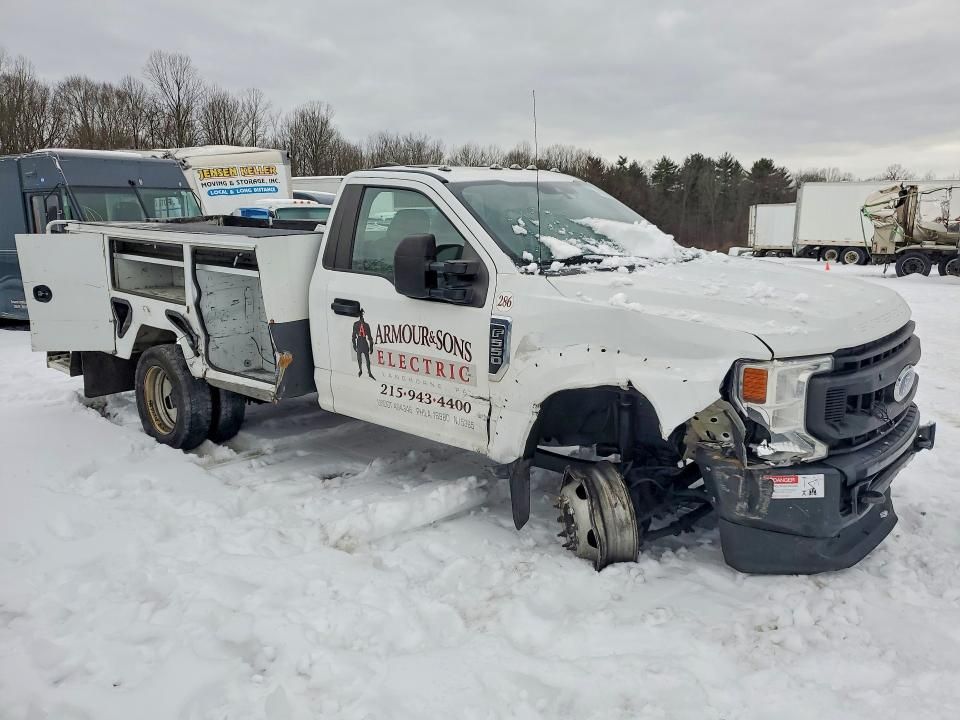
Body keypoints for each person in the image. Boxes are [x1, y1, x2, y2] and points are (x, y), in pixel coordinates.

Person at [352, 309, 375, 379]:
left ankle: (369, 372)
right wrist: (354, 344)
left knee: (367, 359)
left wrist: (371, 347)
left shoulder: (366, 325)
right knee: (359, 358)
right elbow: (353, 336)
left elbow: (370, 337)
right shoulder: (356, 324)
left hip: (363, 343)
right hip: (360, 342)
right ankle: (361, 370)